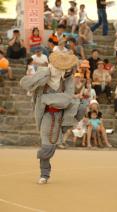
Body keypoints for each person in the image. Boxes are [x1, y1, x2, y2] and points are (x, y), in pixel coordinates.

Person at [20, 52, 79, 184]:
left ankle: (62, 134)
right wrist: (37, 82)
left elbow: (67, 99)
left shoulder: (67, 79)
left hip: (62, 116)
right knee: (47, 146)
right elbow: (24, 83)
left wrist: (46, 99)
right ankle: (44, 174)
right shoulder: (43, 74)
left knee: (80, 107)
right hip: (46, 114)